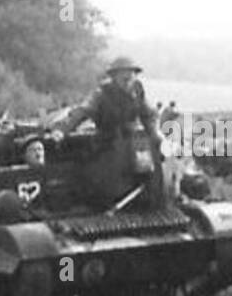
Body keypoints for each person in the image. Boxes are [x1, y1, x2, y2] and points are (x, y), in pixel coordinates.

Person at [52, 56, 164, 207]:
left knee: (152, 154)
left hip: (133, 141)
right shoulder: (102, 93)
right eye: (124, 76)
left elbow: (148, 114)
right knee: (112, 164)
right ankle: (113, 201)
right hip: (108, 141)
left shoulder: (137, 90)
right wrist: (62, 130)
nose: (128, 79)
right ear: (114, 76)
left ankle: (152, 199)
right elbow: (83, 111)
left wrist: (156, 134)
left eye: (131, 75)